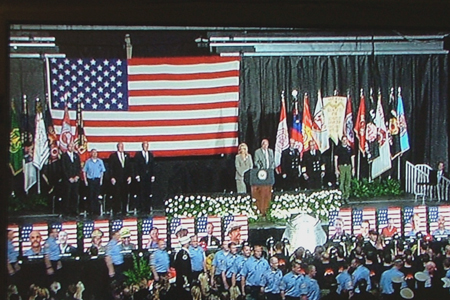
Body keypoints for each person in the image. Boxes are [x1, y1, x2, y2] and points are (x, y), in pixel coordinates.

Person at [108, 142, 132, 215]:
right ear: (117, 147)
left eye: (122, 146)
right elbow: (111, 167)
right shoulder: (113, 156)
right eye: (120, 146)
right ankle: (117, 210)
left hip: (125, 178)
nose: (121, 148)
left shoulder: (127, 155)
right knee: (117, 194)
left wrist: (130, 176)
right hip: (117, 178)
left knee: (125, 194)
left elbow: (129, 167)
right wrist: (112, 177)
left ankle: (124, 210)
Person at [133, 141, 155, 213]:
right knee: (141, 192)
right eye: (145, 146)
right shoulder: (138, 155)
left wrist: (152, 175)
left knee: (148, 192)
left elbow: (152, 166)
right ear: (142, 146)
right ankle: (142, 208)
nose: (146, 147)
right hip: (141, 176)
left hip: (148, 176)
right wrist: (137, 175)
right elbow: (136, 166)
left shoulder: (150, 154)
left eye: (147, 146)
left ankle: (147, 207)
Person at [83, 149, 106, 216]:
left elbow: (102, 171)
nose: (94, 154)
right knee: (90, 196)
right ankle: (91, 211)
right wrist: (85, 181)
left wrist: (101, 180)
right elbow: (84, 171)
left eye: (95, 153)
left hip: (97, 180)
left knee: (97, 196)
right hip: (90, 180)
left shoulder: (100, 161)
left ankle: (97, 211)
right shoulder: (88, 162)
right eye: (93, 153)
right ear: (91, 154)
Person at [61, 142, 81, 216]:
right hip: (67, 180)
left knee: (75, 195)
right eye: (70, 146)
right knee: (67, 195)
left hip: (75, 179)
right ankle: (66, 211)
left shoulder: (76, 155)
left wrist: (77, 176)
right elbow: (63, 168)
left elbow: (79, 167)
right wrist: (69, 177)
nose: (72, 147)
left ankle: (74, 210)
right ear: (67, 147)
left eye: (73, 146)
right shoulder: (64, 156)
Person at [334, 136, 355, 202]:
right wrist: (336, 169)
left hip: (348, 166)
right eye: (343, 140)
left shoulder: (350, 149)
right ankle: (342, 197)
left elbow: (352, 158)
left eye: (345, 140)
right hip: (341, 167)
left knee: (348, 182)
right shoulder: (338, 149)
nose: (344, 141)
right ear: (341, 141)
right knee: (341, 182)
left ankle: (347, 196)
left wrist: (353, 168)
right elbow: (335, 159)